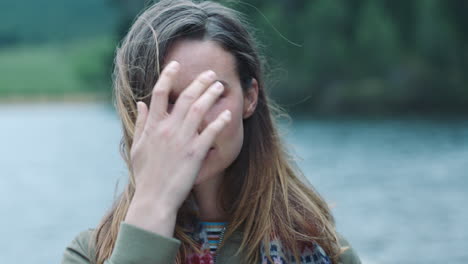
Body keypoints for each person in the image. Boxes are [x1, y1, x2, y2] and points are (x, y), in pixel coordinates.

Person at [62, 0, 361, 263]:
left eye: (212, 94)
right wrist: (152, 210)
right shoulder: (92, 254)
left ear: (250, 97)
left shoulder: (321, 248)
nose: (195, 120)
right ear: (137, 113)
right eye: (170, 100)